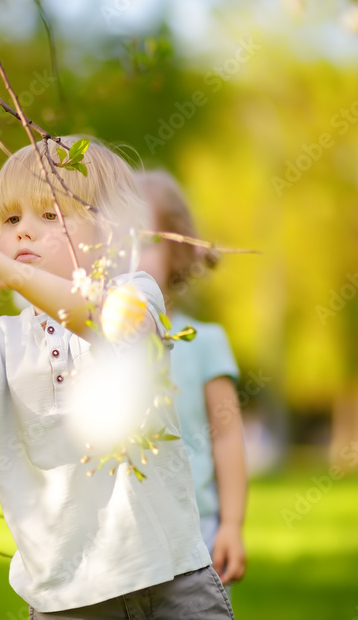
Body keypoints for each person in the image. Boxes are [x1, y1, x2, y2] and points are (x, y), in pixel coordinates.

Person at [0, 137, 234, 618]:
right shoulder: (0, 340)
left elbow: (109, 324)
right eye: (12, 219)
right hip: (66, 597)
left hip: (171, 578)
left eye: (49, 215)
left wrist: (11, 276)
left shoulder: (134, 293)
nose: (24, 233)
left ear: (109, 230)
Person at [136, 169, 248, 587]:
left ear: (176, 253)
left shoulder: (204, 342)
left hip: (194, 535)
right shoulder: (91, 344)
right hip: (120, 542)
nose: (128, 256)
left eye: (143, 240)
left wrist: (231, 525)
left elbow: (227, 436)